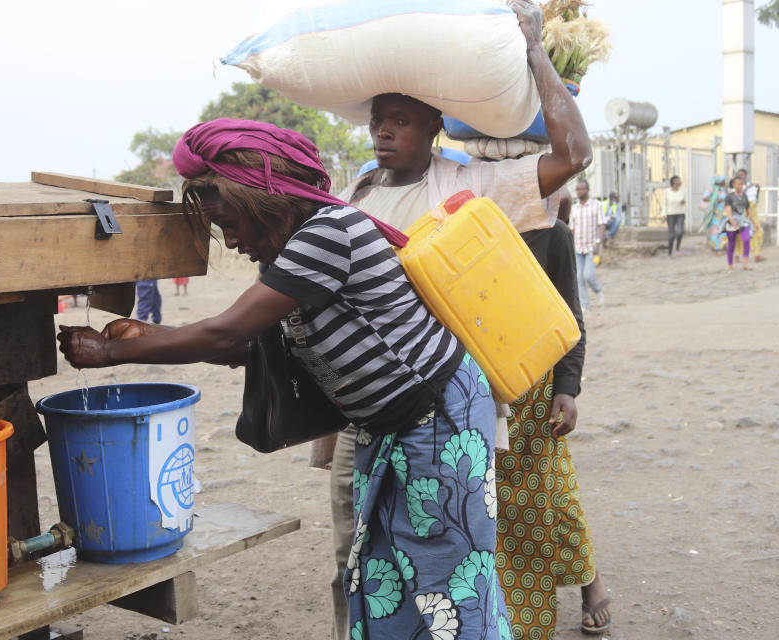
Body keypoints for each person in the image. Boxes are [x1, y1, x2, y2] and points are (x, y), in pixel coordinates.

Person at [59, 118, 515, 638]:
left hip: (435, 419)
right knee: (383, 570)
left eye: (228, 220)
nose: (229, 240)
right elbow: (249, 348)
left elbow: (225, 332)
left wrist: (112, 352)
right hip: (389, 427)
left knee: (448, 577)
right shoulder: (296, 250)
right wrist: (146, 333)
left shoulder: (330, 234)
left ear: (262, 198)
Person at [324, 1, 609, 636]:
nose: (384, 132)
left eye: (401, 121)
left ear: (434, 127)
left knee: (449, 560)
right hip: (363, 413)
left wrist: (535, 49)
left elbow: (575, 152)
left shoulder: (471, 188)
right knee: (357, 551)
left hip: (444, 412)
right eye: (379, 122)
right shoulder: (357, 195)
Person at [495, 215, 611, 637]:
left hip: (534, 388)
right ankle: (505, 607)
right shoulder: (454, 218)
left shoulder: (551, 233)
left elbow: (569, 319)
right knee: (493, 504)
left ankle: (572, 588)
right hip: (470, 385)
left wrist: (567, 386)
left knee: (545, 491)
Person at [570, 180, 606, 310]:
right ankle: (584, 305)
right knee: (579, 278)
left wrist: (598, 242)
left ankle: (598, 291)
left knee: (588, 275)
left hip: (593, 248)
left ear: (588, 190)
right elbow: (572, 229)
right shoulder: (574, 208)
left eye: (582, 189)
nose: (579, 192)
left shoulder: (596, 205)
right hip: (578, 247)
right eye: (577, 190)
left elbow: (602, 225)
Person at [724, 176, 753, 272]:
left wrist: (752, 221)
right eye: (738, 184)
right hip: (732, 222)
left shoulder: (744, 196)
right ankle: (730, 265)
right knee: (731, 244)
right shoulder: (730, 197)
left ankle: (745, 263)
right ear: (734, 184)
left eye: (742, 184)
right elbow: (728, 210)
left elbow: (748, 209)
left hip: (743, 221)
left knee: (746, 239)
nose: (740, 186)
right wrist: (732, 221)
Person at [736, 168, 765, 262]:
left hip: (752, 210)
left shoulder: (752, 186)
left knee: (757, 231)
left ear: (746, 175)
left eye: (743, 174)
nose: (741, 176)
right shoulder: (735, 186)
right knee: (738, 234)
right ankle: (737, 255)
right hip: (740, 212)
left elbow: (755, 198)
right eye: (739, 174)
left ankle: (757, 254)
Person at [700, 176, 727, 253]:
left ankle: (721, 245)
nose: (724, 182)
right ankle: (716, 248)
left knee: (723, 229)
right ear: (719, 181)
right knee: (715, 230)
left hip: (723, 213)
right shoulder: (712, 189)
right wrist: (714, 199)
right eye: (723, 180)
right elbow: (704, 197)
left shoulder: (722, 189)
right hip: (715, 213)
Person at [664, 175, 686, 256]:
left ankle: (677, 247)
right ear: (674, 181)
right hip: (670, 214)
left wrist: (683, 202)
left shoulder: (682, 191)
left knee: (680, 232)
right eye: (678, 180)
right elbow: (665, 204)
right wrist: (663, 214)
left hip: (680, 213)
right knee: (672, 234)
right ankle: (669, 251)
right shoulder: (667, 192)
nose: (679, 181)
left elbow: (684, 201)